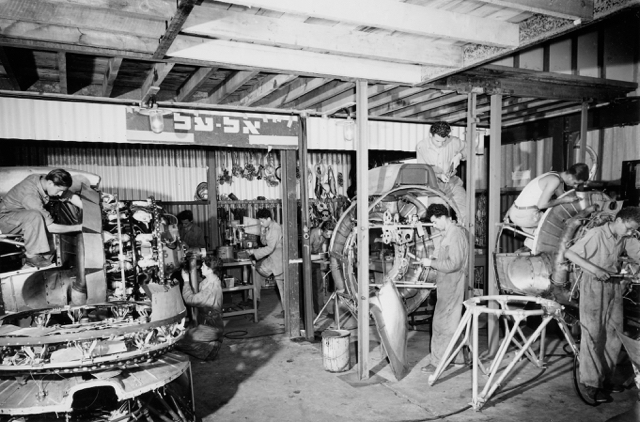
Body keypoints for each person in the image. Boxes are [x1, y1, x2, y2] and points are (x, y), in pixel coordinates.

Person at [564, 206, 640, 403]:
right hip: (594, 285)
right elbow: (570, 254)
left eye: (634, 230)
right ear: (620, 220)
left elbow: (638, 253)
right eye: (630, 228)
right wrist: (594, 269)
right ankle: (592, 384)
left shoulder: (625, 237)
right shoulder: (597, 234)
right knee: (593, 333)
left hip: (614, 285)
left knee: (614, 333)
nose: (632, 233)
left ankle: (605, 379)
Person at [419, 204, 469, 373]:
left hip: (451, 286)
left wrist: (431, 263)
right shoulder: (448, 233)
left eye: (434, 222)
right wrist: (433, 260)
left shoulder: (456, 234)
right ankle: (459, 358)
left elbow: (454, 264)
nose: (434, 226)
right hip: (447, 285)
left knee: (441, 324)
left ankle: (437, 362)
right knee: (452, 323)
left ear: (442, 217)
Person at [0, 168, 83, 268]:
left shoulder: (44, 180)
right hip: (6, 220)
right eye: (59, 190)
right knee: (35, 217)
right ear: (50, 183)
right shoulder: (30, 196)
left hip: (20, 214)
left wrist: (86, 207)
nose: (61, 194)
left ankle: (37, 268)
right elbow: (51, 227)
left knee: (52, 238)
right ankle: (32, 257)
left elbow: (68, 194)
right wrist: (79, 228)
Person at [505, 163, 589, 250]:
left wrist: (573, 201)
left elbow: (561, 195)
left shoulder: (555, 175)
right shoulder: (555, 181)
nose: (575, 186)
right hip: (526, 215)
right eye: (575, 183)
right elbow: (542, 205)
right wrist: (565, 200)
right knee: (561, 229)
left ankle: (530, 250)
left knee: (538, 238)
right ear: (570, 177)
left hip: (515, 212)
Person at [416, 121, 467, 224]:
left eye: (443, 141)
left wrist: (460, 155)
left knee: (466, 215)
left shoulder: (454, 141)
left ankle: (462, 237)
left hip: (452, 183)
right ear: (431, 135)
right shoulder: (421, 146)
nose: (440, 144)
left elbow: (469, 148)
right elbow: (422, 170)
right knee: (437, 219)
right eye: (437, 141)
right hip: (434, 185)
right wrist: (438, 175)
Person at [176, 256, 224, 361]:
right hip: (206, 323)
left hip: (212, 327)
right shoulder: (208, 281)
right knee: (184, 335)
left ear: (210, 270)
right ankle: (210, 343)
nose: (201, 268)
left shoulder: (211, 288)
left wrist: (186, 281)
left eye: (203, 266)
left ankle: (210, 351)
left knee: (178, 342)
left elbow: (190, 299)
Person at [248, 208, 284, 316]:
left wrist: (253, 252)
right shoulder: (268, 227)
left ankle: (287, 311)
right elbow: (264, 242)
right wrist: (262, 232)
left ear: (269, 218)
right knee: (256, 273)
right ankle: (254, 299)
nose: (261, 223)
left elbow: (270, 248)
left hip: (278, 259)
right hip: (273, 258)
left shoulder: (275, 229)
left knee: (282, 286)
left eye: (262, 221)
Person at [309, 220, 335, 315]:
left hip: (315, 261)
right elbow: (306, 253)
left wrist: (325, 256)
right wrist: (321, 257)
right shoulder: (313, 233)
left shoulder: (324, 236)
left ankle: (320, 310)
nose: (329, 236)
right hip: (306, 262)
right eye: (328, 234)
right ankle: (307, 312)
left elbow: (322, 248)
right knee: (308, 288)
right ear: (322, 230)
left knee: (318, 286)